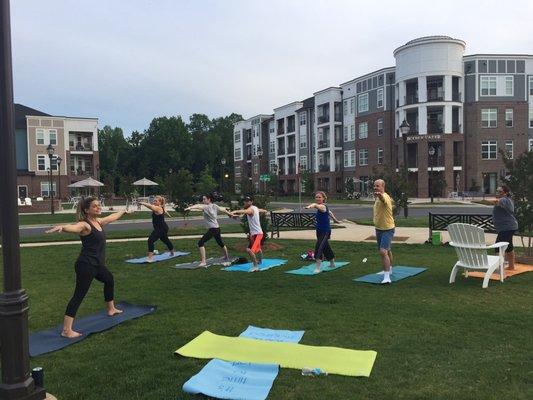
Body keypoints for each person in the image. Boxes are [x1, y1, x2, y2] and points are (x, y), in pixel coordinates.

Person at [45, 197, 132, 338]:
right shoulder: (85, 225)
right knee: (79, 295)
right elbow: (74, 227)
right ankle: (66, 330)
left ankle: (111, 309)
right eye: (95, 206)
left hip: (97, 265)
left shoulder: (98, 222)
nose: (98, 208)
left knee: (109, 279)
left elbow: (112, 217)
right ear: (87, 210)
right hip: (86, 265)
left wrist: (122, 211)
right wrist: (63, 227)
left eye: (99, 205)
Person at [185, 194, 234, 267]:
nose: (203, 200)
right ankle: (226, 257)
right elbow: (223, 209)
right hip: (217, 228)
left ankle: (203, 261)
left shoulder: (206, 207)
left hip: (213, 229)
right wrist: (230, 214)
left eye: (204, 199)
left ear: (209, 199)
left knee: (200, 243)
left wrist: (189, 207)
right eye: (203, 199)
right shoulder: (215, 206)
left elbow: (198, 206)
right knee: (220, 243)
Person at [305, 191, 341, 273]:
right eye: (316, 197)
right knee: (325, 247)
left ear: (324, 198)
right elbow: (330, 212)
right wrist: (335, 219)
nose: (317, 198)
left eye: (319, 197)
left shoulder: (322, 207)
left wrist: (310, 206)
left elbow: (315, 205)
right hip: (319, 231)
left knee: (319, 247)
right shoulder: (323, 207)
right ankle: (332, 263)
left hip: (325, 231)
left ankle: (317, 268)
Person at [230, 196, 267, 272]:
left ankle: (255, 266)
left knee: (249, 250)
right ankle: (259, 261)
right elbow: (263, 210)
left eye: (247, 201)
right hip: (255, 233)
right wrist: (261, 213)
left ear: (251, 202)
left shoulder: (250, 210)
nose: (245, 202)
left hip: (257, 234)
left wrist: (234, 211)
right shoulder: (255, 208)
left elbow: (245, 212)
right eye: (245, 201)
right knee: (258, 249)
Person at [373, 179, 395, 284]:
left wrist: (380, 195)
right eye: (374, 186)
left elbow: (383, 199)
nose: (375, 187)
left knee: (383, 252)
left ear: (383, 187)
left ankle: (387, 277)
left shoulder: (384, 196)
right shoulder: (377, 198)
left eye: (378, 186)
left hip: (387, 229)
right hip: (379, 229)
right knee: (387, 250)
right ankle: (389, 269)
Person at [139, 195, 174, 262]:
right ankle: (172, 253)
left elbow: (150, 206)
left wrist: (143, 203)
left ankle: (150, 258)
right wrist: (169, 216)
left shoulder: (158, 208)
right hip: (163, 227)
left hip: (161, 228)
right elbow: (165, 212)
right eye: (154, 200)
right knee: (165, 240)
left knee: (150, 240)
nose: (154, 202)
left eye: (156, 201)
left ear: (160, 202)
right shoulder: (161, 207)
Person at [492, 185, 518, 270]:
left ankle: (499, 269)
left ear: (505, 193)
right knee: (509, 247)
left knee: (498, 247)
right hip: (508, 227)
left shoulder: (504, 199)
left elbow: (509, 208)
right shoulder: (505, 200)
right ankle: (511, 266)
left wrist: (498, 202)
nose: (497, 193)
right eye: (497, 191)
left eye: (500, 192)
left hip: (507, 227)